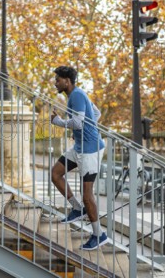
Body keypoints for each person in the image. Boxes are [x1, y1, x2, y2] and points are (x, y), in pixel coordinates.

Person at [50, 66, 107, 250]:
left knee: (88, 197)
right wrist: (84, 132)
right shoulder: (78, 95)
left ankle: (99, 234)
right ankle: (76, 209)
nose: (55, 82)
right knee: (56, 173)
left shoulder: (76, 95)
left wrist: (58, 122)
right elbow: (95, 114)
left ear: (67, 81)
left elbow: (77, 122)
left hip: (90, 151)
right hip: (80, 147)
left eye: (58, 79)